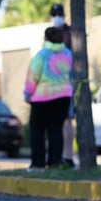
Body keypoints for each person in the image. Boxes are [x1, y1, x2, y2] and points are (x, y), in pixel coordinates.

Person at [24, 26, 73, 170]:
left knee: (37, 130)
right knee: (56, 131)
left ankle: (38, 164)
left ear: (45, 38)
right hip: (63, 97)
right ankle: (54, 163)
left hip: (42, 98)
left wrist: (28, 94)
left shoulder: (41, 56)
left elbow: (32, 77)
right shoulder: (68, 54)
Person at [49, 3, 75, 168]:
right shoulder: (50, 35)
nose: (57, 16)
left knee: (66, 122)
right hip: (52, 88)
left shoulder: (70, 34)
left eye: (59, 13)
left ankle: (68, 156)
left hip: (65, 86)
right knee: (54, 124)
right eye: (55, 14)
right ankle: (56, 156)